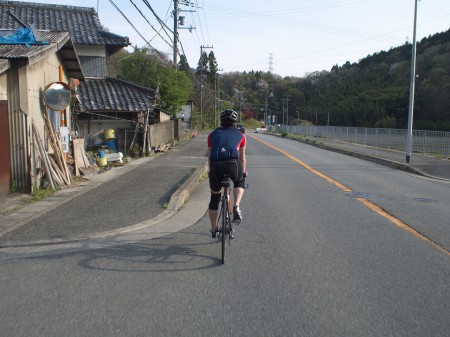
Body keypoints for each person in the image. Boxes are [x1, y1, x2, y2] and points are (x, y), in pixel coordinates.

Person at [207, 109, 247, 238]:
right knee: (240, 181)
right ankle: (236, 205)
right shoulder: (241, 135)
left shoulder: (212, 135)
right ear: (235, 122)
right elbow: (242, 158)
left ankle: (214, 229)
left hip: (216, 166)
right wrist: (244, 171)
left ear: (221, 121)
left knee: (214, 198)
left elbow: (209, 156)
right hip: (233, 165)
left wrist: (210, 170)